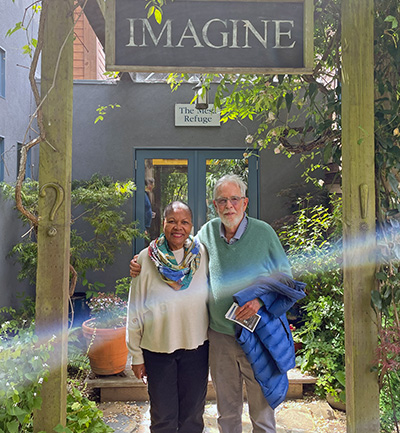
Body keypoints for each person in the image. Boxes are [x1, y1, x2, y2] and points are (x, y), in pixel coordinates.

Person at [130, 175, 292, 433]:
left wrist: (261, 301)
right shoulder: (206, 235)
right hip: (220, 338)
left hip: (258, 335)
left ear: (245, 202)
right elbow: (177, 249)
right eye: (222, 201)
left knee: (262, 414)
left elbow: (286, 279)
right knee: (227, 413)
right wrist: (143, 260)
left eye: (234, 199)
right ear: (214, 205)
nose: (229, 206)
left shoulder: (264, 234)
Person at [127, 201, 209, 433]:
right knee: (163, 417)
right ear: (163, 223)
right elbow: (135, 309)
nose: (178, 227)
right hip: (157, 349)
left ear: (191, 226)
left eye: (184, 222)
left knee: (193, 416)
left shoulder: (202, 255)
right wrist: (136, 356)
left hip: (196, 348)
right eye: (172, 221)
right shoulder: (146, 259)